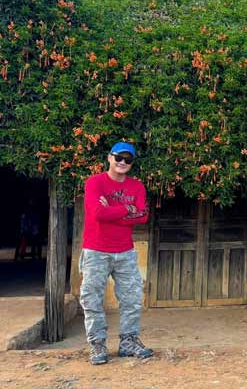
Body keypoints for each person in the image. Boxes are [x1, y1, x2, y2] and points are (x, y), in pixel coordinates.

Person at [79, 141, 153, 365]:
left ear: (132, 163)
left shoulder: (137, 187)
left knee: (132, 298)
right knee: (92, 299)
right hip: (95, 250)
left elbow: (143, 217)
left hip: (125, 251)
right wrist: (127, 209)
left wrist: (113, 210)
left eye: (127, 160)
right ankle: (97, 344)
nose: (122, 162)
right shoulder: (95, 183)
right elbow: (98, 213)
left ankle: (128, 342)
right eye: (118, 157)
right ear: (109, 157)